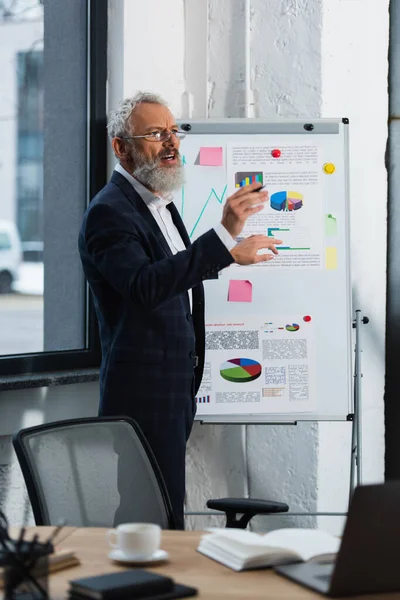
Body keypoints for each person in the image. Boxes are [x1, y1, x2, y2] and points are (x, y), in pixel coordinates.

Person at [78, 91, 281, 529]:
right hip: (143, 392)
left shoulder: (157, 203)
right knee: (147, 516)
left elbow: (172, 277)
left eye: (174, 131)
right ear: (121, 147)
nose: (171, 142)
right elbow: (145, 286)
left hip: (173, 386)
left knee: (161, 511)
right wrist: (225, 237)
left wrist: (228, 252)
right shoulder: (110, 213)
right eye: (155, 133)